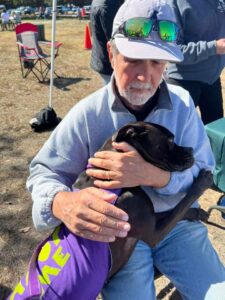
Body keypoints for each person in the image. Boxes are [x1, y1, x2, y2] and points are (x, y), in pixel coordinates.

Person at [26, 0, 225, 299]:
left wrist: (157, 176)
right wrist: (62, 204)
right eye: (134, 59)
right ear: (111, 53)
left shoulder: (182, 104)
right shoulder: (88, 114)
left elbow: (204, 169)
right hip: (118, 237)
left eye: (157, 63)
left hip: (178, 227)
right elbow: (43, 172)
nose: (146, 77)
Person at [166, 0, 225, 125]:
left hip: (212, 79)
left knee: (215, 135)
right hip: (183, 82)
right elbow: (173, 51)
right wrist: (213, 47)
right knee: (177, 136)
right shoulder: (174, 3)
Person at [90, 0, 124, 85]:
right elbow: (116, 38)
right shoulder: (109, 5)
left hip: (103, 58)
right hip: (110, 62)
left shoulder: (100, 2)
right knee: (114, 94)